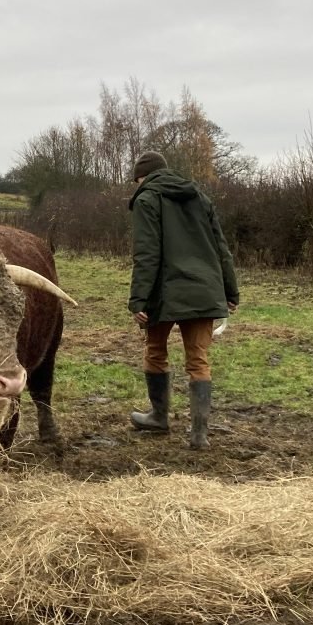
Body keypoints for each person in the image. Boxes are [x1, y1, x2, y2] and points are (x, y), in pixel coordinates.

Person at [127, 151, 239, 449]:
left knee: (155, 351)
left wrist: (139, 299)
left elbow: (146, 254)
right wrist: (230, 291)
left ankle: (159, 418)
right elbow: (221, 247)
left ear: (142, 177)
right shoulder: (199, 197)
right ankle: (199, 435)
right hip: (205, 289)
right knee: (198, 359)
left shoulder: (146, 199)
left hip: (165, 292)